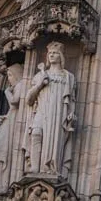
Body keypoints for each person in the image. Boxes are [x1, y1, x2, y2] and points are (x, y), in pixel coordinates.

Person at [27, 42, 77, 177]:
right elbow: (29, 100)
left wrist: (71, 114)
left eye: (54, 53)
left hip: (58, 113)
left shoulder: (68, 77)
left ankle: (51, 167)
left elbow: (71, 99)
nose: (51, 55)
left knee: (54, 140)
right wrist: (40, 85)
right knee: (36, 133)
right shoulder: (40, 75)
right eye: (49, 53)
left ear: (61, 56)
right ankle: (35, 167)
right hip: (42, 110)